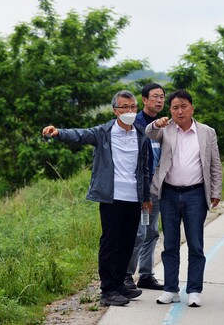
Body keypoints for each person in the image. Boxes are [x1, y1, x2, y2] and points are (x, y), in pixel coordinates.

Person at [42, 90, 151, 307]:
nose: (129, 111)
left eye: (133, 107)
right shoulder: (104, 132)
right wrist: (58, 132)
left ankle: (120, 284)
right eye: (124, 107)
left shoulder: (141, 134)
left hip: (134, 198)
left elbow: (145, 169)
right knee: (110, 242)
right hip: (111, 198)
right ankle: (108, 289)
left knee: (128, 243)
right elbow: (80, 135)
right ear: (115, 110)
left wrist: (146, 196)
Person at [145, 89, 222, 308]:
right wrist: (155, 124)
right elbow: (149, 133)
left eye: (183, 106)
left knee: (196, 244)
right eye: (175, 108)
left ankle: (195, 290)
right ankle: (171, 289)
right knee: (170, 243)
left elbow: (215, 163)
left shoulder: (207, 132)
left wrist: (216, 190)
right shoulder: (166, 129)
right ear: (170, 111)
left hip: (196, 193)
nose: (179, 111)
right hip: (168, 193)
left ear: (192, 108)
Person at [125, 83, 166, 291]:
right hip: (142, 188)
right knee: (139, 232)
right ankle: (126, 275)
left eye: (162, 97)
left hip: (158, 187)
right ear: (144, 100)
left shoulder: (166, 124)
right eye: (155, 96)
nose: (159, 100)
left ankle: (146, 275)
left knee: (152, 232)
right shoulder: (137, 123)